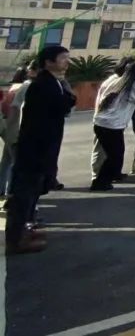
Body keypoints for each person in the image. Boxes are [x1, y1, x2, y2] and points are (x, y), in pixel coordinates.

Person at [6, 46, 73, 254]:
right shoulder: (42, 85)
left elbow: (67, 102)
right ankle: (16, 239)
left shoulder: (53, 82)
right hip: (35, 148)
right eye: (63, 58)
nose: (67, 62)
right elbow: (63, 105)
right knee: (24, 194)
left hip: (43, 147)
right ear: (48, 62)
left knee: (32, 192)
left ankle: (25, 230)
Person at [91, 59, 135, 190]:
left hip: (101, 122)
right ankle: (100, 182)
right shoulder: (132, 84)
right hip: (112, 125)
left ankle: (112, 175)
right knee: (114, 155)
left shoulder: (113, 79)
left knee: (113, 153)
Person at [1, 65, 36, 198]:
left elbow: (5, 108)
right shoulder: (27, 87)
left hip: (9, 127)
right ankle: (11, 192)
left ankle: (1, 188)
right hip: (17, 130)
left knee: (6, 161)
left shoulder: (13, 88)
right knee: (17, 163)